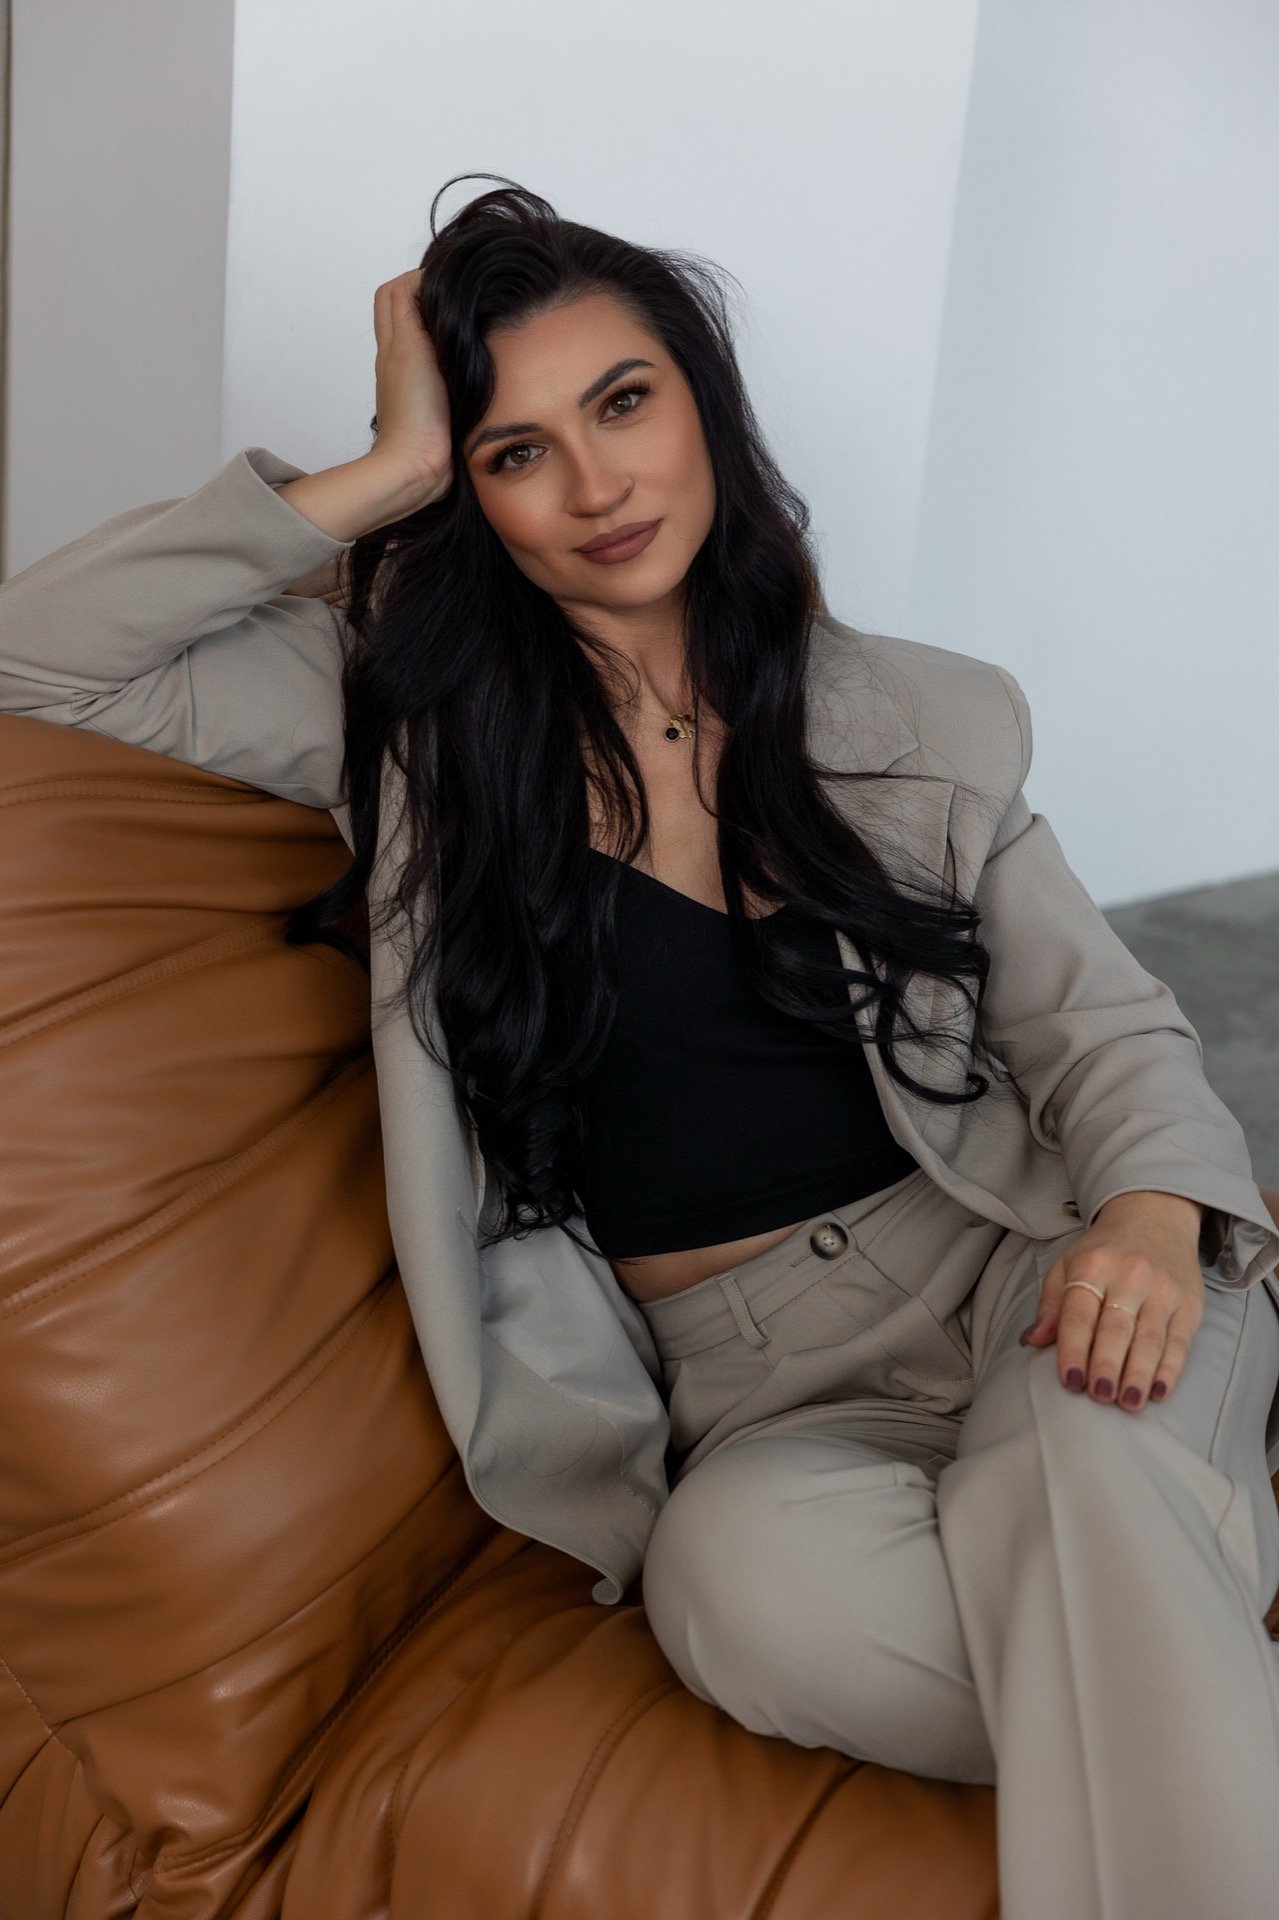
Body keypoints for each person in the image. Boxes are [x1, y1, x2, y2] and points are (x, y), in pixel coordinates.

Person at [3, 174, 1279, 1919]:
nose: (597, 486)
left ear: (704, 404)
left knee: (1091, 1445)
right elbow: (37, 660)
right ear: (470, 488)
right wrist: (377, 471)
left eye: (623, 403)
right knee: (741, 1598)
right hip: (755, 1394)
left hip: (1023, 1268)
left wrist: (1141, 1215)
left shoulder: (924, 713)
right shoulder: (405, 729)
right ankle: (1201, 1614)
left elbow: (1102, 1024)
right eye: (516, 449)